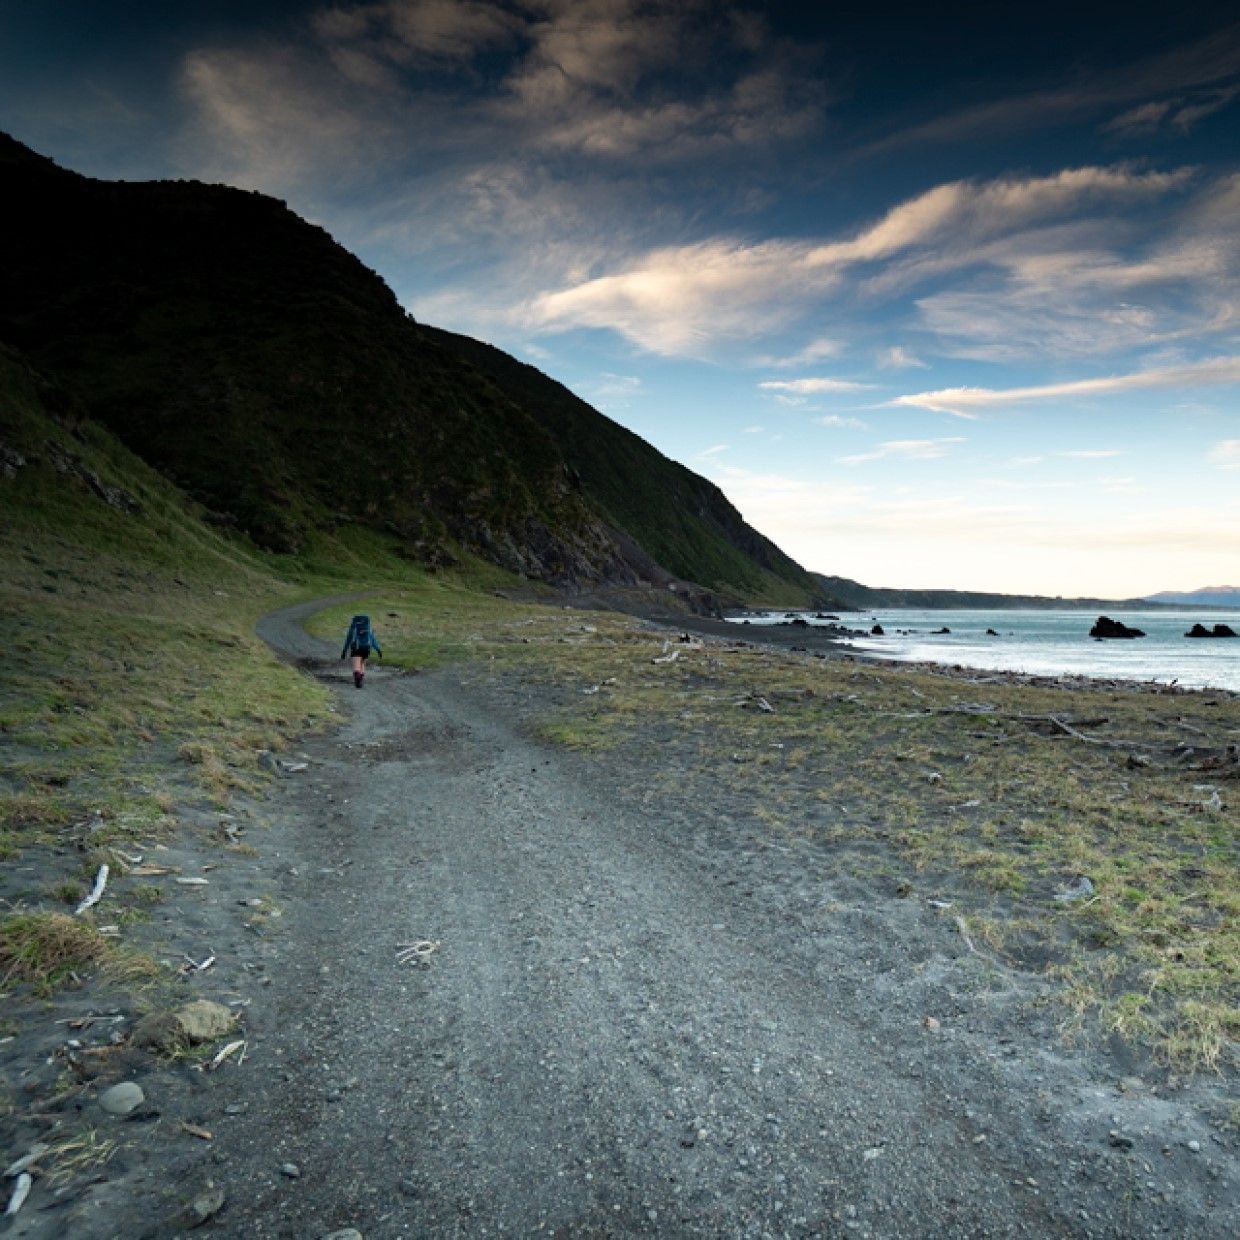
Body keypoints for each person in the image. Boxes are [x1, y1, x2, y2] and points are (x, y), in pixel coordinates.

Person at [341, 613, 382, 688]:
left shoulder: (353, 628)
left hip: (356, 647)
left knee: (356, 664)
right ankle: (360, 680)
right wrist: (378, 650)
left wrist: (344, 651)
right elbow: (373, 640)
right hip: (367, 648)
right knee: (362, 663)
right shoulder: (369, 628)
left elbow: (348, 639)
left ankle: (358, 680)